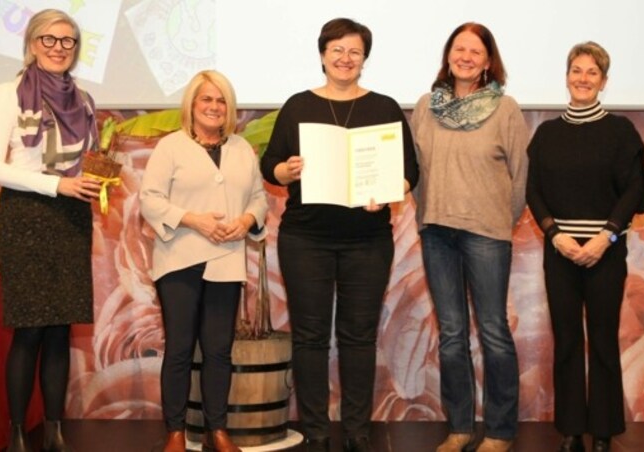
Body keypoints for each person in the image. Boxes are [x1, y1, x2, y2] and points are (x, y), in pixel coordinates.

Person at [260, 17, 419, 452]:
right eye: (337, 50)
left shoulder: (384, 108)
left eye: (354, 52)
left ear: (364, 59)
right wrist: (285, 170)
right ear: (323, 55)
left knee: (358, 336)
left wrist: (389, 192)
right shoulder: (297, 106)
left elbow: (409, 172)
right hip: (305, 239)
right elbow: (269, 165)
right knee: (310, 336)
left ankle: (356, 429)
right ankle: (313, 429)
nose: (345, 59)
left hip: (367, 240)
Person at [0, 9, 100, 452]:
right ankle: (16, 435)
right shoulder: (9, 93)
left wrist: (97, 181)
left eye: (67, 41)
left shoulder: (84, 100)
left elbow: (87, 162)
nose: (58, 48)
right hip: (25, 217)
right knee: (29, 328)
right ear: (32, 44)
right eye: (49, 39)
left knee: (58, 330)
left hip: (70, 217)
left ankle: (54, 431)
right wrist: (57, 184)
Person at [525, 42, 644, 452]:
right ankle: (570, 431)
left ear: (604, 81)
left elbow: (635, 190)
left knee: (601, 340)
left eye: (591, 73)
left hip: (606, 251)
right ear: (566, 76)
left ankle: (602, 432)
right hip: (559, 251)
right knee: (566, 341)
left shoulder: (620, 131)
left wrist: (607, 236)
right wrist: (555, 235)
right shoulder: (547, 133)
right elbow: (534, 190)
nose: (583, 78)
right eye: (576, 70)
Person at [410, 22, 529, 452]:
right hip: (437, 232)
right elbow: (416, 171)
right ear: (448, 56)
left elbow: (519, 179)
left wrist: (498, 220)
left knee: (494, 331)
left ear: (488, 61)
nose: (465, 56)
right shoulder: (426, 106)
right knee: (452, 334)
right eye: (458, 48)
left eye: (475, 51)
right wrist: (427, 214)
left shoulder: (506, 108)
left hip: (487, 234)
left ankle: (499, 431)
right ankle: (460, 428)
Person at [140, 70, 267, 452]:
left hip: (226, 261)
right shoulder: (171, 147)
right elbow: (150, 199)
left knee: (218, 351)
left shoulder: (242, 149)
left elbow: (259, 198)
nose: (214, 107)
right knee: (179, 348)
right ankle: (175, 431)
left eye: (221, 100)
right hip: (179, 259)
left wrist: (246, 220)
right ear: (192, 106)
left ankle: (218, 430)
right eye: (206, 99)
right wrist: (192, 220)